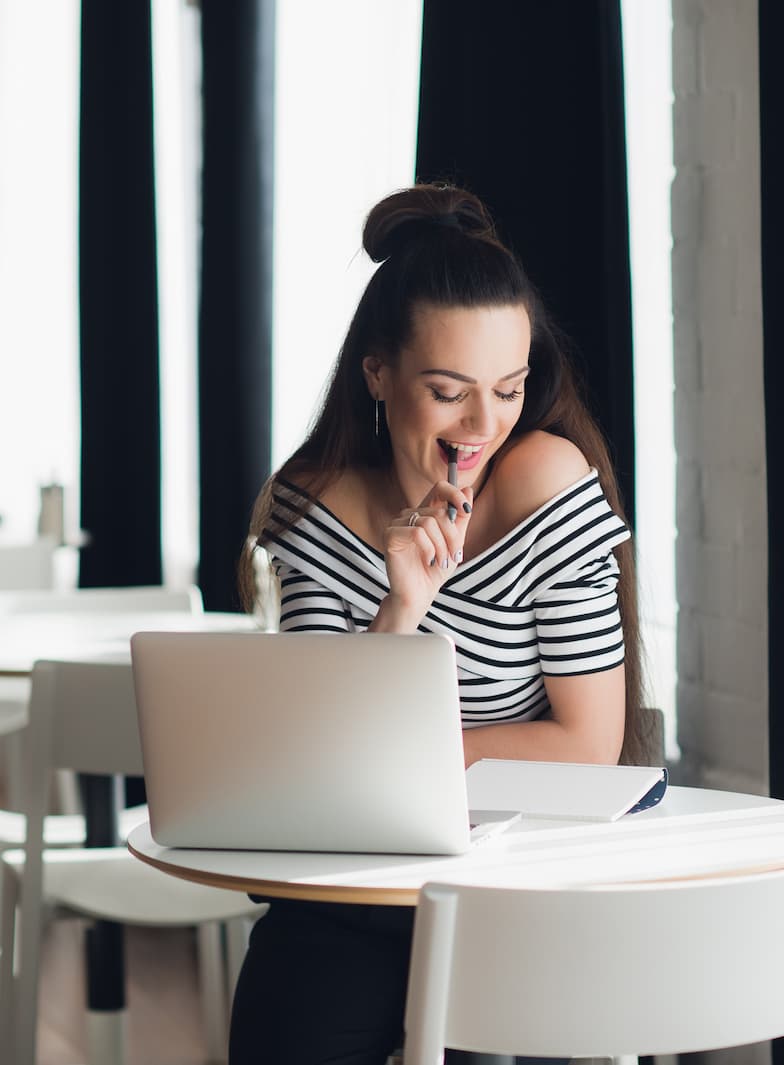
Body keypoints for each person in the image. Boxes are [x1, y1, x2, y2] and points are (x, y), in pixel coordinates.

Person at [230, 183, 647, 1065]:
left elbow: (587, 741)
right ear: (378, 374)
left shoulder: (545, 479)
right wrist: (402, 608)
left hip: (520, 887)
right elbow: (319, 758)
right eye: (449, 391)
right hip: (356, 895)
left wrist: (399, 752)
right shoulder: (315, 510)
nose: (482, 426)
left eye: (507, 389)